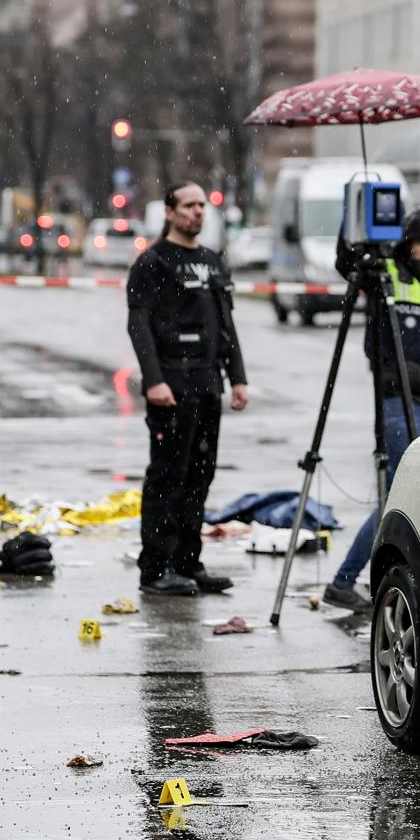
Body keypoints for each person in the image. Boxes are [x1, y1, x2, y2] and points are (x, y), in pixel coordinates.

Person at [324, 207, 420, 611]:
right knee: (397, 499)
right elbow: (345, 261)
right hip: (396, 402)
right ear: (407, 245)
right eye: (419, 242)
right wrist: (356, 209)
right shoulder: (386, 276)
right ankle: (345, 581)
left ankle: (409, 583)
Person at [127, 181, 249, 597]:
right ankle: (156, 568)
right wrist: (154, 380)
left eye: (202, 205)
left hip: (206, 384)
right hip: (171, 386)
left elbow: (226, 326)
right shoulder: (154, 262)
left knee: (201, 474)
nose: (197, 212)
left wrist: (238, 378)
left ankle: (187, 562)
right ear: (170, 211)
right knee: (168, 477)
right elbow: (138, 325)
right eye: (189, 205)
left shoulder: (213, 263)